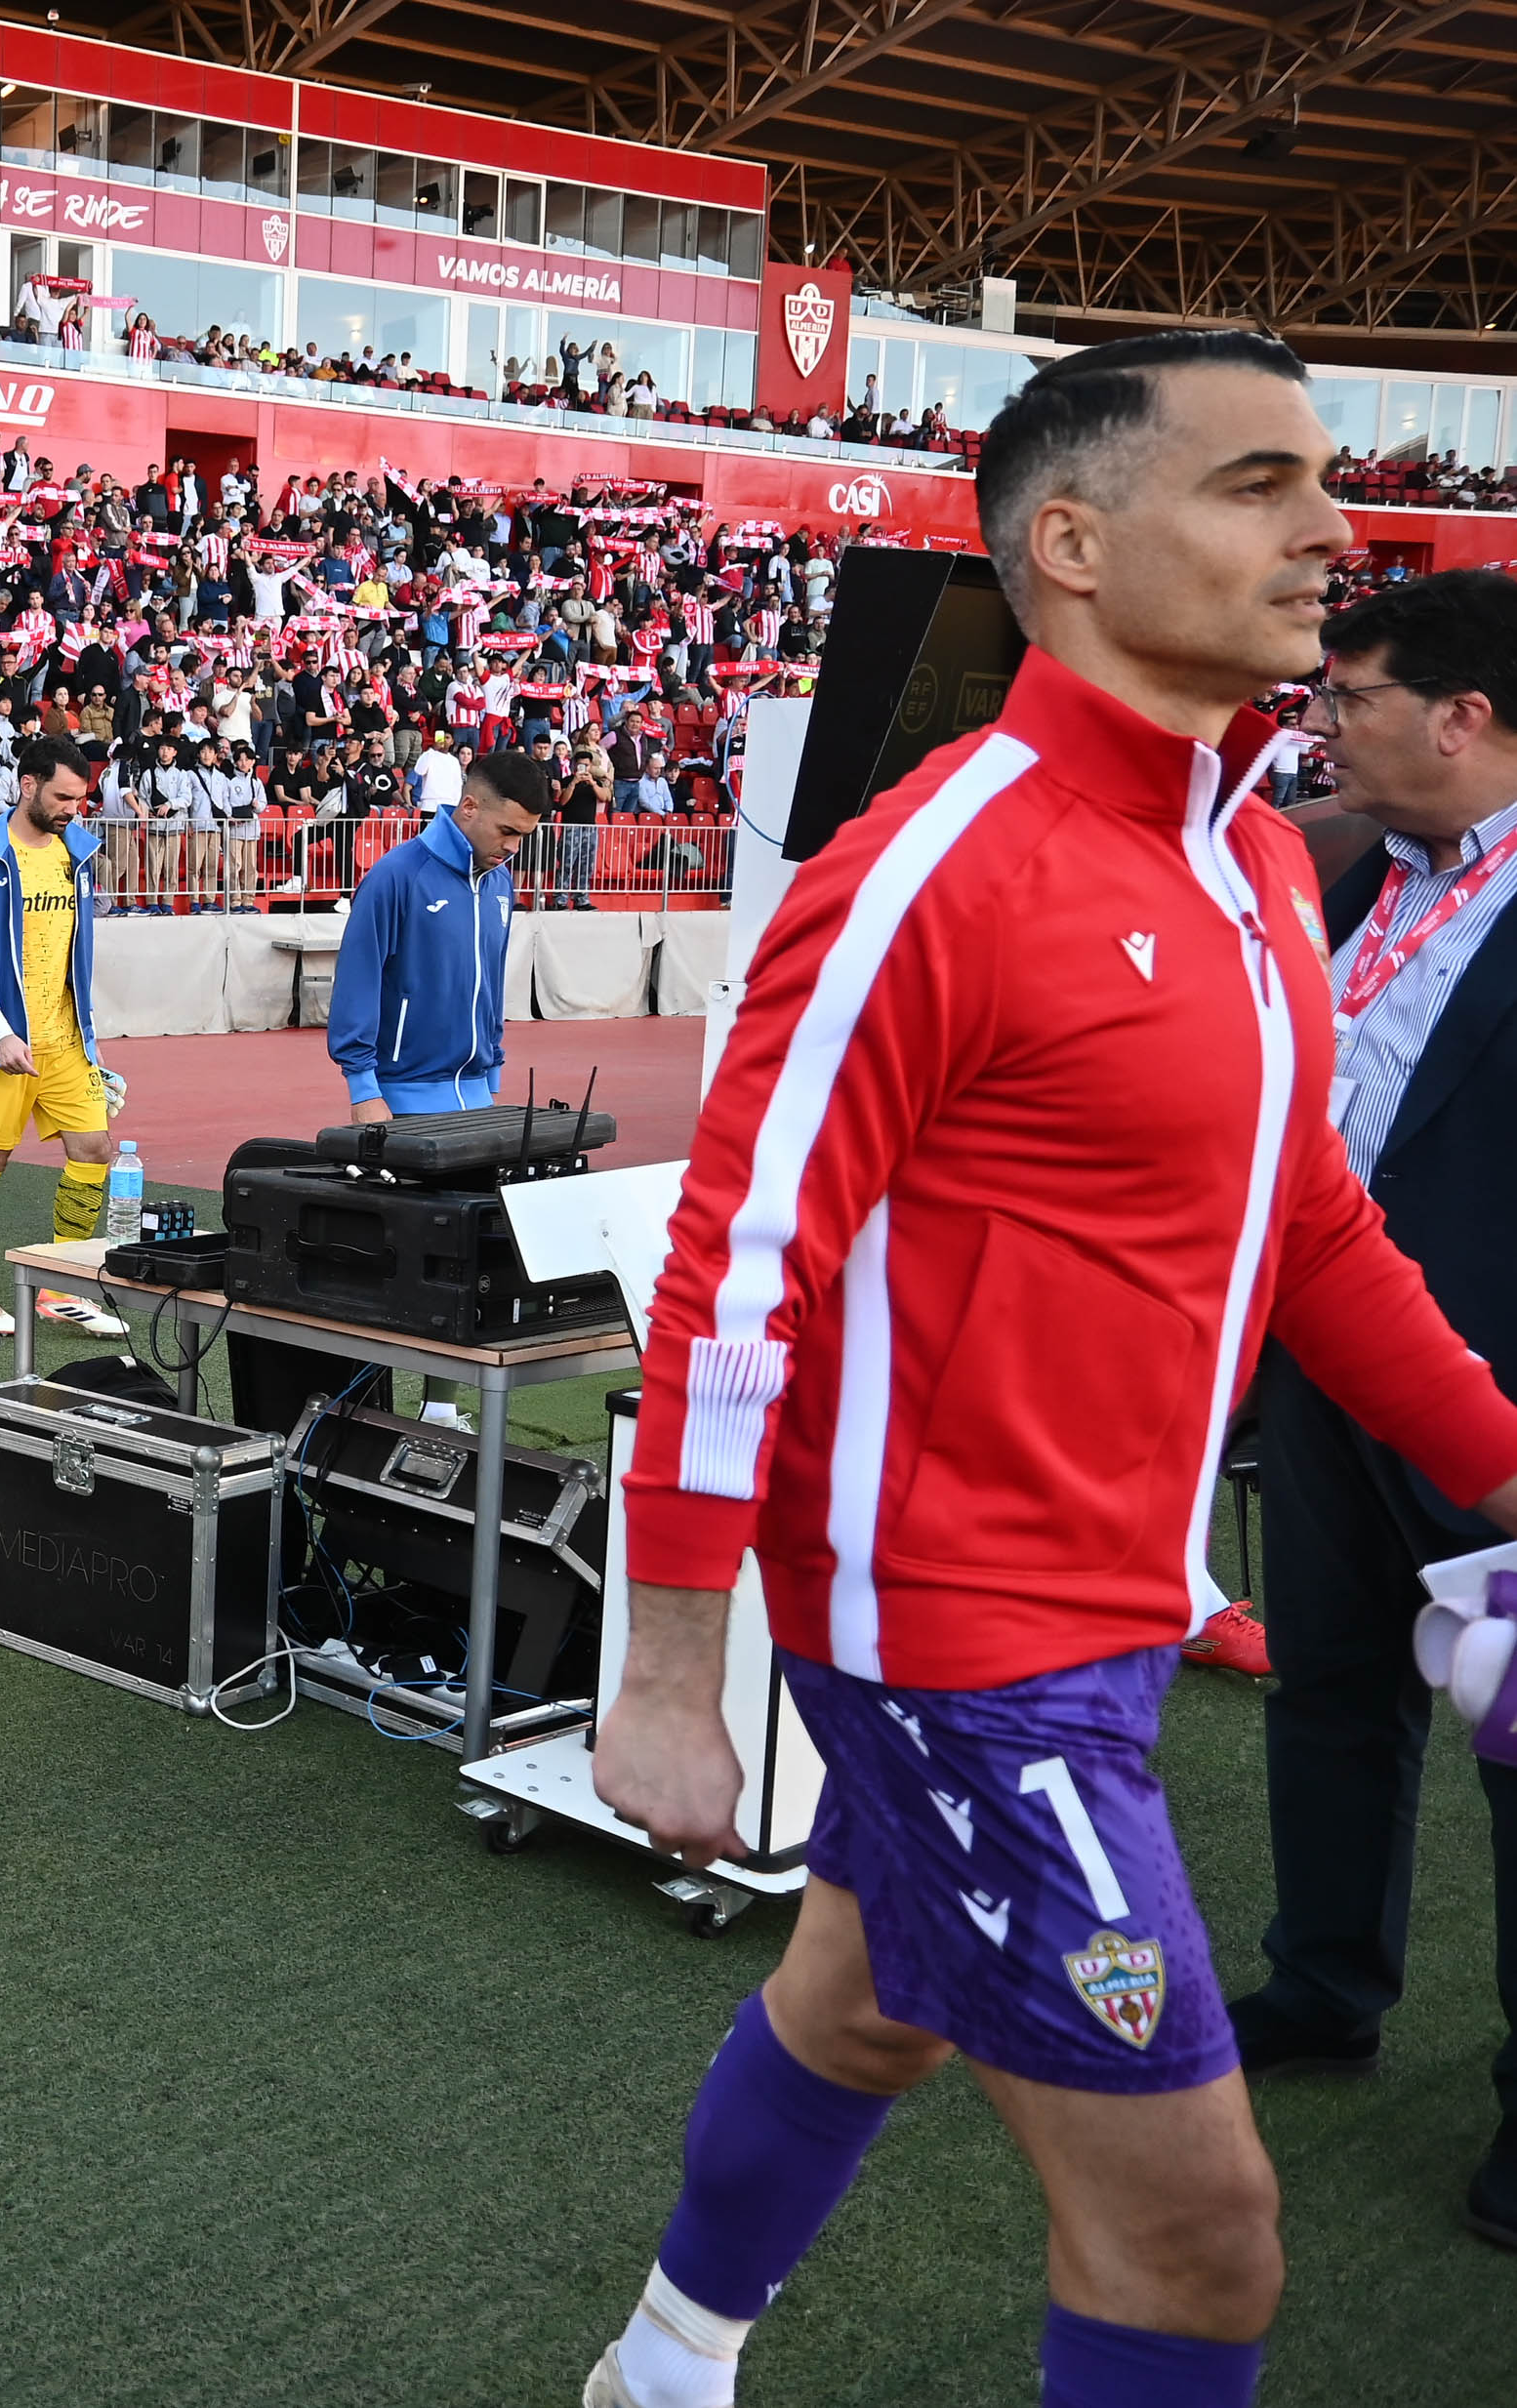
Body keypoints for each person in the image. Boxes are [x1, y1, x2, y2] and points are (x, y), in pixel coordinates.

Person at [584, 331, 1517, 2408]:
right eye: (1255, 483)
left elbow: (1308, 1231)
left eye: (1323, 477)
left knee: (860, 2009)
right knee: (1196, 2243)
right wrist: (657, 1672)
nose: (1327, 528)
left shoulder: (1258, 856)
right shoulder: (928, 865)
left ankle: (657, 2368)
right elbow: (737, 1271)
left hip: (1105, 1606)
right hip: (951, 1640)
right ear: (1072, 544)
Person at [1228, 566, 1517, 2247]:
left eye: (1351, 698)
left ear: (1463, 717)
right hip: (1328, 1367)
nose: (1321, 724)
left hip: (1486, 1387)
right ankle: (1326, 1983)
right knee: (1330, 1686)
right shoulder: (1348, 875)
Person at [324, 745, 542, 1425]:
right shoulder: (397, 877)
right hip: (403, 1096)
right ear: (467, 807)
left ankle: (440, 1410)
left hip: (474, 1097)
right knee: (404, 1263)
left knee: (468, 1259)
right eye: (508, 831)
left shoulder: (499, 881)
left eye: (525, 837)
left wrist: (495, 1067)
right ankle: (363, 1414)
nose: (514, 848)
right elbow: (356, 983)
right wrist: (364, 1086)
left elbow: (491, 983)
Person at [0, 738, 129, 1339]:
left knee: (95, 1149)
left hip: (68, 1042)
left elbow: (73, 954)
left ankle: (61, 1287)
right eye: (63, 796)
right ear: (28, 786)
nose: (75, 808)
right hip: (0, 1043)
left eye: (81, 797)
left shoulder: (79, 853)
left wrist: (90, 1041)